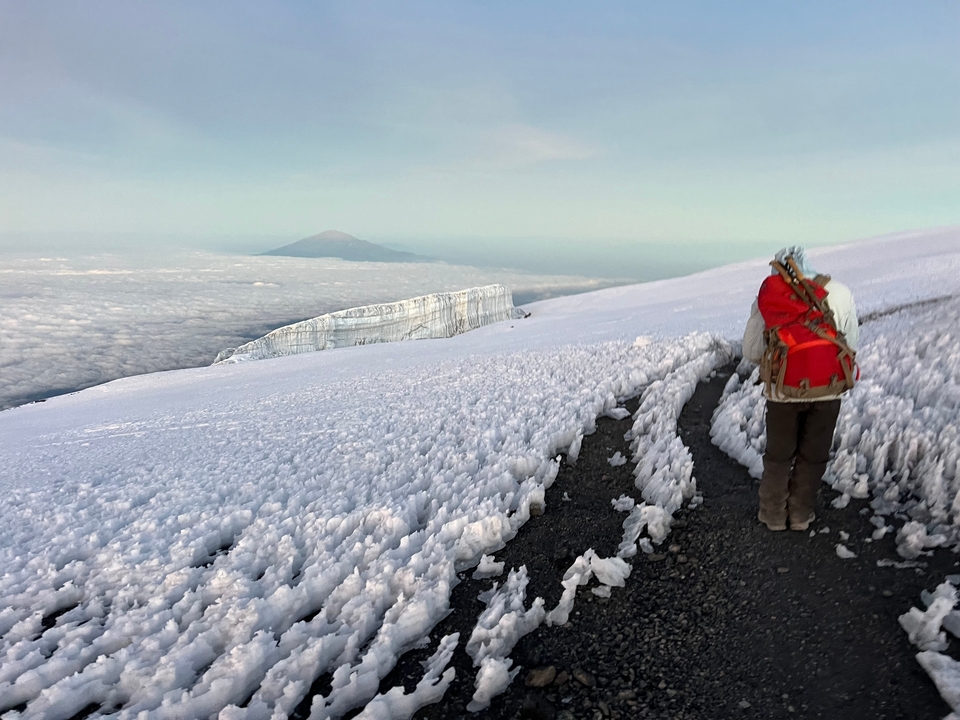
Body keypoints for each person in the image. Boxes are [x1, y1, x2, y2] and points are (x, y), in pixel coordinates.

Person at [742, 246, 859, 531]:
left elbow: (751, 349)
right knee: (814, 453)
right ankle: (800, 515)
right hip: (828, 388)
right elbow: (851, 344)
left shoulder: (769, 297)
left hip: (783, 390)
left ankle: (772, 515)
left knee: (779, 455)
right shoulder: (840, 292)